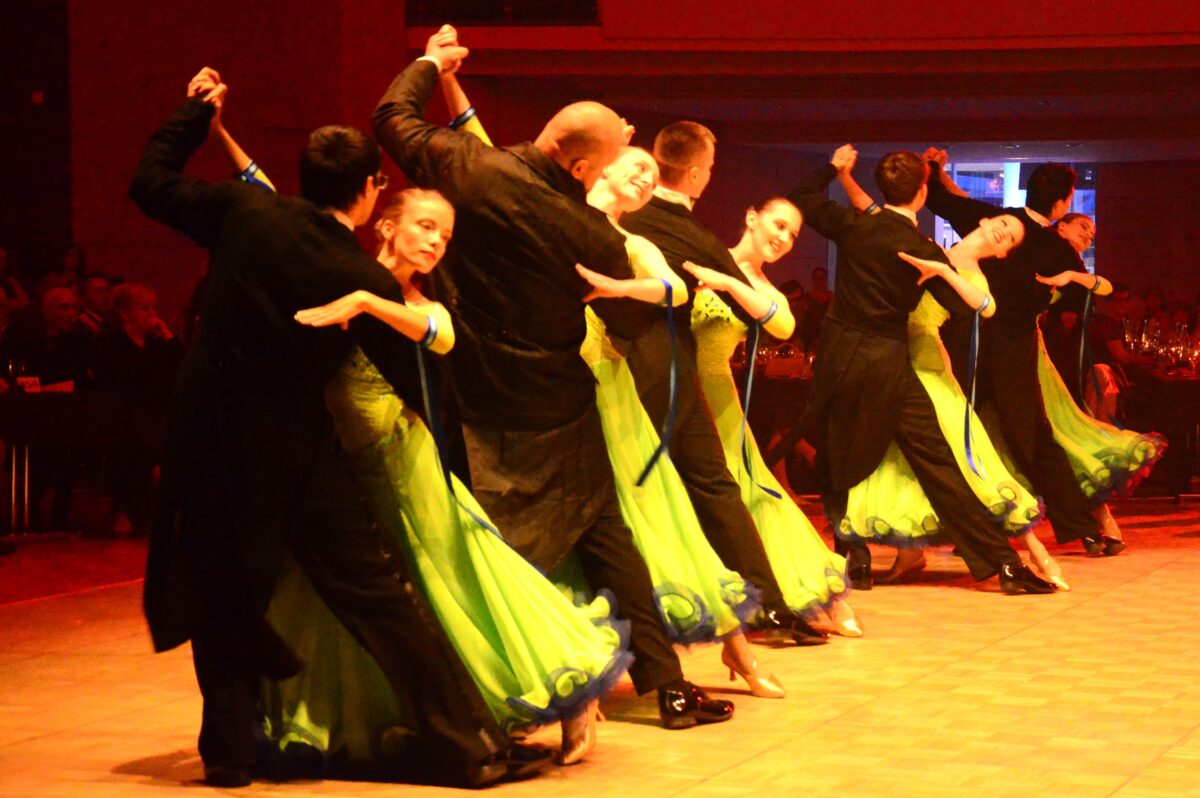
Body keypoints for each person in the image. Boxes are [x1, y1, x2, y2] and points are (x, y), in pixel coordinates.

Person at [129, 67, 542, 789]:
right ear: (371, 189)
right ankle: (463, 744)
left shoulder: (241, 212)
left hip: (213, 441)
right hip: (299, 452)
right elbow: (426, 366)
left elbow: (150, 180)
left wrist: (197, 114)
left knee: (228, 592)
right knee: (378, 595)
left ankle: (227, 754)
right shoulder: (356, 275)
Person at [211, 93, 633, 764]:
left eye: (444, 233)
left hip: (409, 467)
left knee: (462, 583)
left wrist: (368, 302)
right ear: (387, 222)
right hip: (341, 466)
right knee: (359, 605)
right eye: (425, 226)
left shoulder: (415, 299)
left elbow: (440, 337)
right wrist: (220, 130)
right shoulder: (340, 267)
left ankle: (565, 696)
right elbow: (263, 194)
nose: (435, 241)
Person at [373, 28, 733, 729]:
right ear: (578, 165)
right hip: (559, 405)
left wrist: (431, 63)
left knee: (489, 547)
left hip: (468, 394)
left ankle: (500, 687)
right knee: (606, 540)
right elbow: (633, 326)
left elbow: (392, 118)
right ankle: (667, 686)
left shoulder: (467, 169)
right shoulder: (592, 236)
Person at [435, 63, 782, 696]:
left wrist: (618, 287)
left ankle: (731, 651)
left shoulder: (630, 238)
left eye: (652, 177)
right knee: (573, 527)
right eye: (635, 165)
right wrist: (451, 80)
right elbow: (481, 147)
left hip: (607, 395)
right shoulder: (548, 203)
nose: (646, 177)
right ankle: (562, 656)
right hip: (550, 390)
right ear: (600, 165)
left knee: (652, 519)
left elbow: (674, 290)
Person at [787, 147, 1055, 595]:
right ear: (922, 192)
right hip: (890, 360)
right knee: (939, 464)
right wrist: (943, 272)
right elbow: (967, 308)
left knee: (837, 457)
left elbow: (801, 194)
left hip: (839, 354)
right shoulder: (921, 249)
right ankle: (1001, 565)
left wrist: (834, 169)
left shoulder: (856, 226)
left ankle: (855, 559)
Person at [620, 120, 829, 644]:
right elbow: (772, 322)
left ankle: (648, 614)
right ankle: (764, 606)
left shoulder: (625, 218)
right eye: (709, 169)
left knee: (646, 492)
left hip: (627, 371)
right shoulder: (698, 241)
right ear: (695, 174)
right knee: (710, 490)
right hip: (676, 377)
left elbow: (779, 323)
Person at [686, 196, 860, 634]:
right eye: (778, 225)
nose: (783, 238)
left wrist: (726, 284)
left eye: (793, 235)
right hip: (665, 389)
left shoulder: (766, 291)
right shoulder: (699, 256)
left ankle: (813, 587)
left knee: (753, 494)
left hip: (717, 398)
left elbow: (783, 327)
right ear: (750, 217)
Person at [927, 155, 1117, 557]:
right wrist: (1067, 280)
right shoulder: (1054, 247)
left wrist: (933, 169)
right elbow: (1092, 294)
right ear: (1063, 204)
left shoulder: (996, 221)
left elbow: (942, 203)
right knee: (1032, 438)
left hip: (966, 341)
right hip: (1010, 350)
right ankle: (1079, 527)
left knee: (964, 437)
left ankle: (975, 532)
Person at [91, 282, 184, 535]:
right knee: (136, 434)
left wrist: (168, 337)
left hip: (156, 415)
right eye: (144, 308)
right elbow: (121, 381)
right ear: (125, 312)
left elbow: (179, 373)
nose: (152, 314)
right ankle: (138, 505)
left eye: (153, 308)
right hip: (120, 416)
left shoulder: (157, 344)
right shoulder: (109, 342)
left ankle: (138, 510)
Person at [75, 272, 115, 336]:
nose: (105, 296)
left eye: (107, 290)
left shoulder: (110, 321)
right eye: (98, 291)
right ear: (84, 296)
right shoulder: (81, 327)